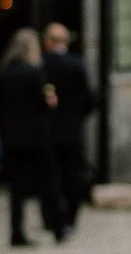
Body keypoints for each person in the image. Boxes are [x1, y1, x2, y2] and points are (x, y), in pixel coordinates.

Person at [0, 27, 64, 247]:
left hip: (12, 138)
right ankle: (57, 227)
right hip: (36, 138)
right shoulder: (34, 73)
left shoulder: (3, 73)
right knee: (48, 182)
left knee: (16, 189)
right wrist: (50, 102)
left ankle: (16, 231)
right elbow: (41, 104)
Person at [42, 22, 98, 232]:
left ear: (47, 41)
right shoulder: (77, 65)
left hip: (48, 130)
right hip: (72, 129)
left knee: (49, 175)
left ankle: (50, 218)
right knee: (72, 174)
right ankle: (71, 218)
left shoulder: (42, 65)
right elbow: (89, 99)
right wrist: (76, 116)